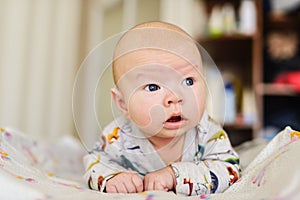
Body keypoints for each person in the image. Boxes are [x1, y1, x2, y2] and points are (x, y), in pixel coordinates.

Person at [83, 21, 240, 196]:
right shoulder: (119, 136)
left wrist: (175, 175)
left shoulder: (207, 132)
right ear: (122, 104)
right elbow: (95, 163)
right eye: (153, 87)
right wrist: (112, 177)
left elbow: (229, 169)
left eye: (188, 81)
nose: (175, 97)